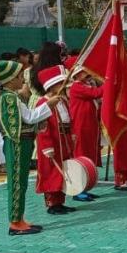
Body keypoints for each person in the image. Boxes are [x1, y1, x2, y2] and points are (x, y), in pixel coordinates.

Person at [0, 61, 53, 234]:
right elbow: (29, 118)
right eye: (20, 76)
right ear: (11, 79)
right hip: (17, 143)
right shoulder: (10, 97)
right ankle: (14, 222)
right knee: (17, 183)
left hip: (23, 142)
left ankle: (19, 218)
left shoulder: (12, 96)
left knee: (21, 182)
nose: (23, 79)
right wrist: (48, 105)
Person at [34, 65, 75, 215]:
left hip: (63, 140)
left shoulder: (62, 100)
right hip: (52, 142)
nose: (63, 86)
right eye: (60, 83)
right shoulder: (43, 102)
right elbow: (43, 127)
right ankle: (52, 203)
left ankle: (60, 201)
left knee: (63, 170)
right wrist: (47, 146)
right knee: (52, 172)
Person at [64, 59, 103, 202]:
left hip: (88, 125)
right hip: (80, 126)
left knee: (88, 156)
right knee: (80, 156)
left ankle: (85, 187)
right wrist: (107, 81)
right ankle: (78, 190)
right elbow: (97, 93)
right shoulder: (76, 87)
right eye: (83, 72)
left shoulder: (83, 85)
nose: (87, 74)